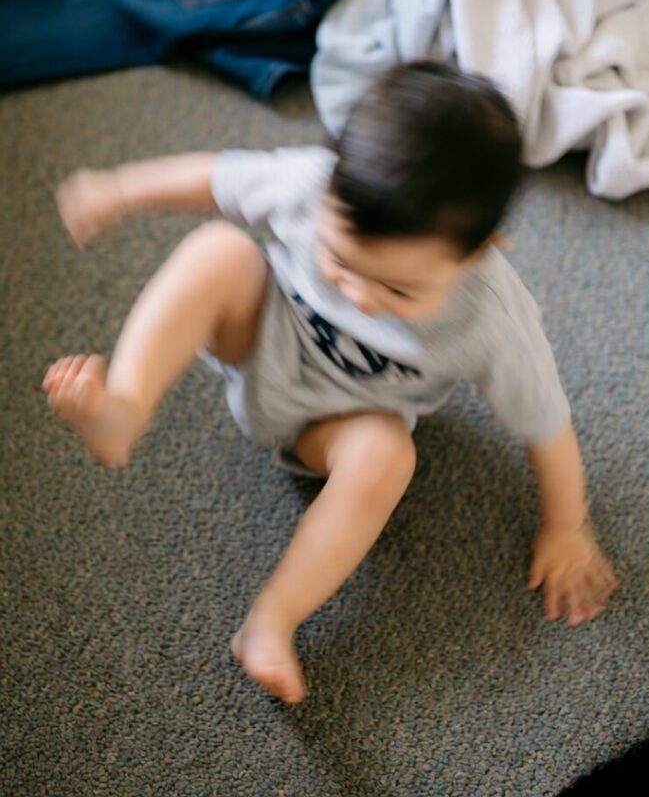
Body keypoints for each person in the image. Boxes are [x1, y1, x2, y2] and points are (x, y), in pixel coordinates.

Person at [43, 61, 618, 705]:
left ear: (481, 250)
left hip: (341, 423)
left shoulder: (495, 320)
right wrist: (118, 189)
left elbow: (547, 423)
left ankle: (272, 620)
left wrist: (568, 525)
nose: (360, 296)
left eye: (399, 287)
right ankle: (124, 407)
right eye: (339, 261)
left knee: (388, 457)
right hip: (261, 344)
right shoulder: (311, 186)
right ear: (331, 187)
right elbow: (214, 179)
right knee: (219, 250)